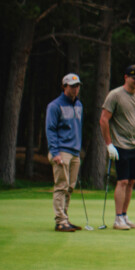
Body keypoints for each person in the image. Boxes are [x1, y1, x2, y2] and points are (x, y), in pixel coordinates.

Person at [100, 64, 135, 230]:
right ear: (126, 77)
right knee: (123, 180)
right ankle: (118, 218)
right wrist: (109, 144)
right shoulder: (115, 95)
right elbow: (104, 119)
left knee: (131, 181)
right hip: (120, 145)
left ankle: (125, 215)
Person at [47, 73, 85, 232]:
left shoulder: (79, 105)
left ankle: (65, 218)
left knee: (70, 187)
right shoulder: (55, 106)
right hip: (61, 151)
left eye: (77, 86)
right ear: (64, 87)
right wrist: (54, 152)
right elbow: (50, 130)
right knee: (61, 186)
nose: (75, 89)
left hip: (75, 151)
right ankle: (60, 221)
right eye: (72, 86)